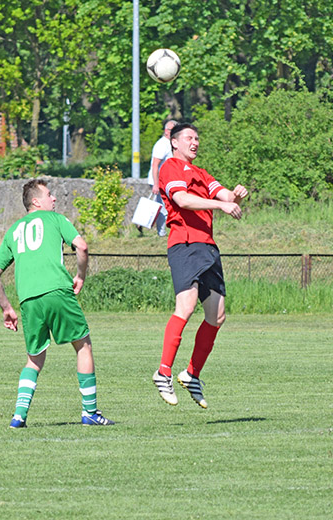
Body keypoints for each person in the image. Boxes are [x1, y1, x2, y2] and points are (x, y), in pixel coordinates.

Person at [0, 179, 114, 428]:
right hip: (57, 291)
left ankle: (18, 416)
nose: (54, 198)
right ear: (36, 201)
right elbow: (82, 246)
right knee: (83, 346)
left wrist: (7, 309)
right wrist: (80, 276)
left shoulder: (13, 231)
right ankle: (90, 412)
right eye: (49, 194)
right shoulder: (56, 220)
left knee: (34, 359)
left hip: (29, 300)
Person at [151, 123, 248, 409]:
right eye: (189, 138)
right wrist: (220, 206)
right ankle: (163, 372)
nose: (195, 142)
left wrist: (236, 195)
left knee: (217, 315)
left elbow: (226, 196)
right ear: (175, 142)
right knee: (186, 306)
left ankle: (191, 374)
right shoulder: (170, 167)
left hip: (207, 246)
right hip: (185, 243)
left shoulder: (202, 173)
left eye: (197, 138)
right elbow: (181, 199)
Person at [140, 119, 177, 237]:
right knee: (162, 208)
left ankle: (165, 231)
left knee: (166, 206)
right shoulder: (162, 144)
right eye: (172, 130)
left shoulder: (170, 143)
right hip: (159, 181)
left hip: (166, 181)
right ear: (166, 131)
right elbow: (155, 165)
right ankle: (161, 233)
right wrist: (156, 184)